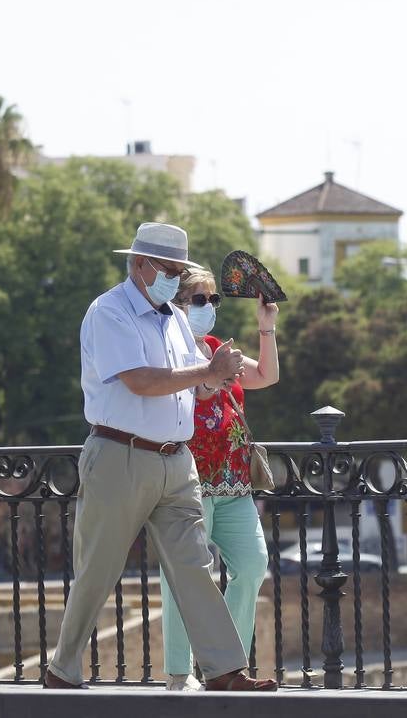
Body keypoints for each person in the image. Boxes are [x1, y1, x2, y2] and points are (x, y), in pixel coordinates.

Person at [45, 222, 277, 692]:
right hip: (120, 456)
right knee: (98, 569)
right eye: (168, 269)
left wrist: (215, 379)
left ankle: (223, 670)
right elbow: (141, 380)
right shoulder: (109, 312)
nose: (174, 277)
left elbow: (190, 386)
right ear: (138, 264)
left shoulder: (172, 316)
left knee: (195, 565)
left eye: (178, 269)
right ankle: (62, 670)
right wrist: (205, 371)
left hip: (176, 461)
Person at [160, 267, 279, 691]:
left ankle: (224, 664)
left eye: (214, 300)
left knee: (252, 565)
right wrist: (211, 378)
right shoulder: (167, 352)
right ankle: (179, 672)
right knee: (184, 577)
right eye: (199, 300)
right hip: (188, 479)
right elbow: (185, 398)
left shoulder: (216, 348)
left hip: (233, 483)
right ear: (177, 303)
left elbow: (266, 377)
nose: (209, 307)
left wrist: (267, 329)